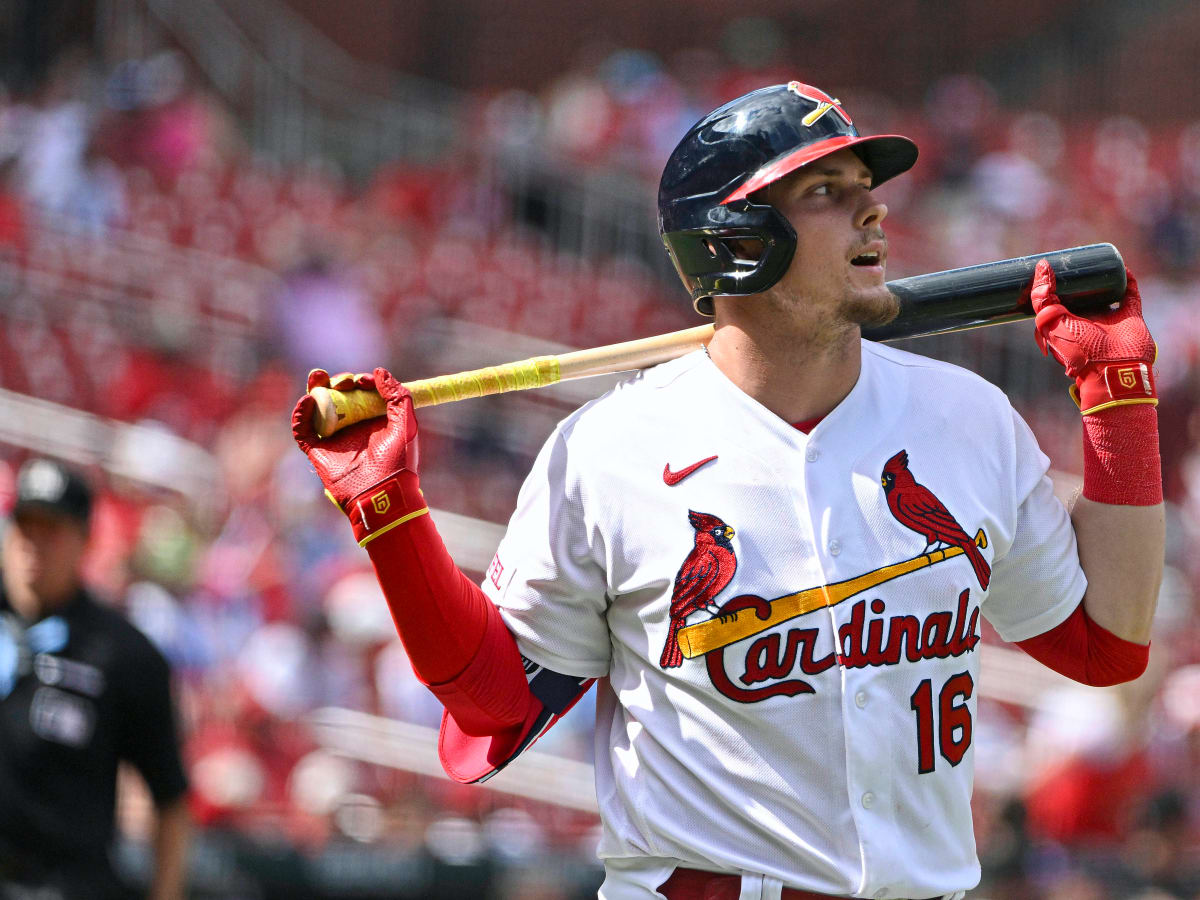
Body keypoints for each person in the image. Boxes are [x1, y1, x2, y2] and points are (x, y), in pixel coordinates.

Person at [292, 82, 1163, 900]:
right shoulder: (607, 450)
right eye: (824, 190)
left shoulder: (969, 416)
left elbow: (1105, 646)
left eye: (865, 183)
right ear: (735, 241)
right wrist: (391, 517)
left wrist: (1117, 399)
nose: (874, 207)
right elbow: (496, 702)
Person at [0, 458, 190, 900]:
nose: (34, 545)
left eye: (53, 530)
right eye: (26, 527)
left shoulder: (123, 654)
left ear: (85, 542)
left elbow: (171, 800)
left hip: (62, 885)